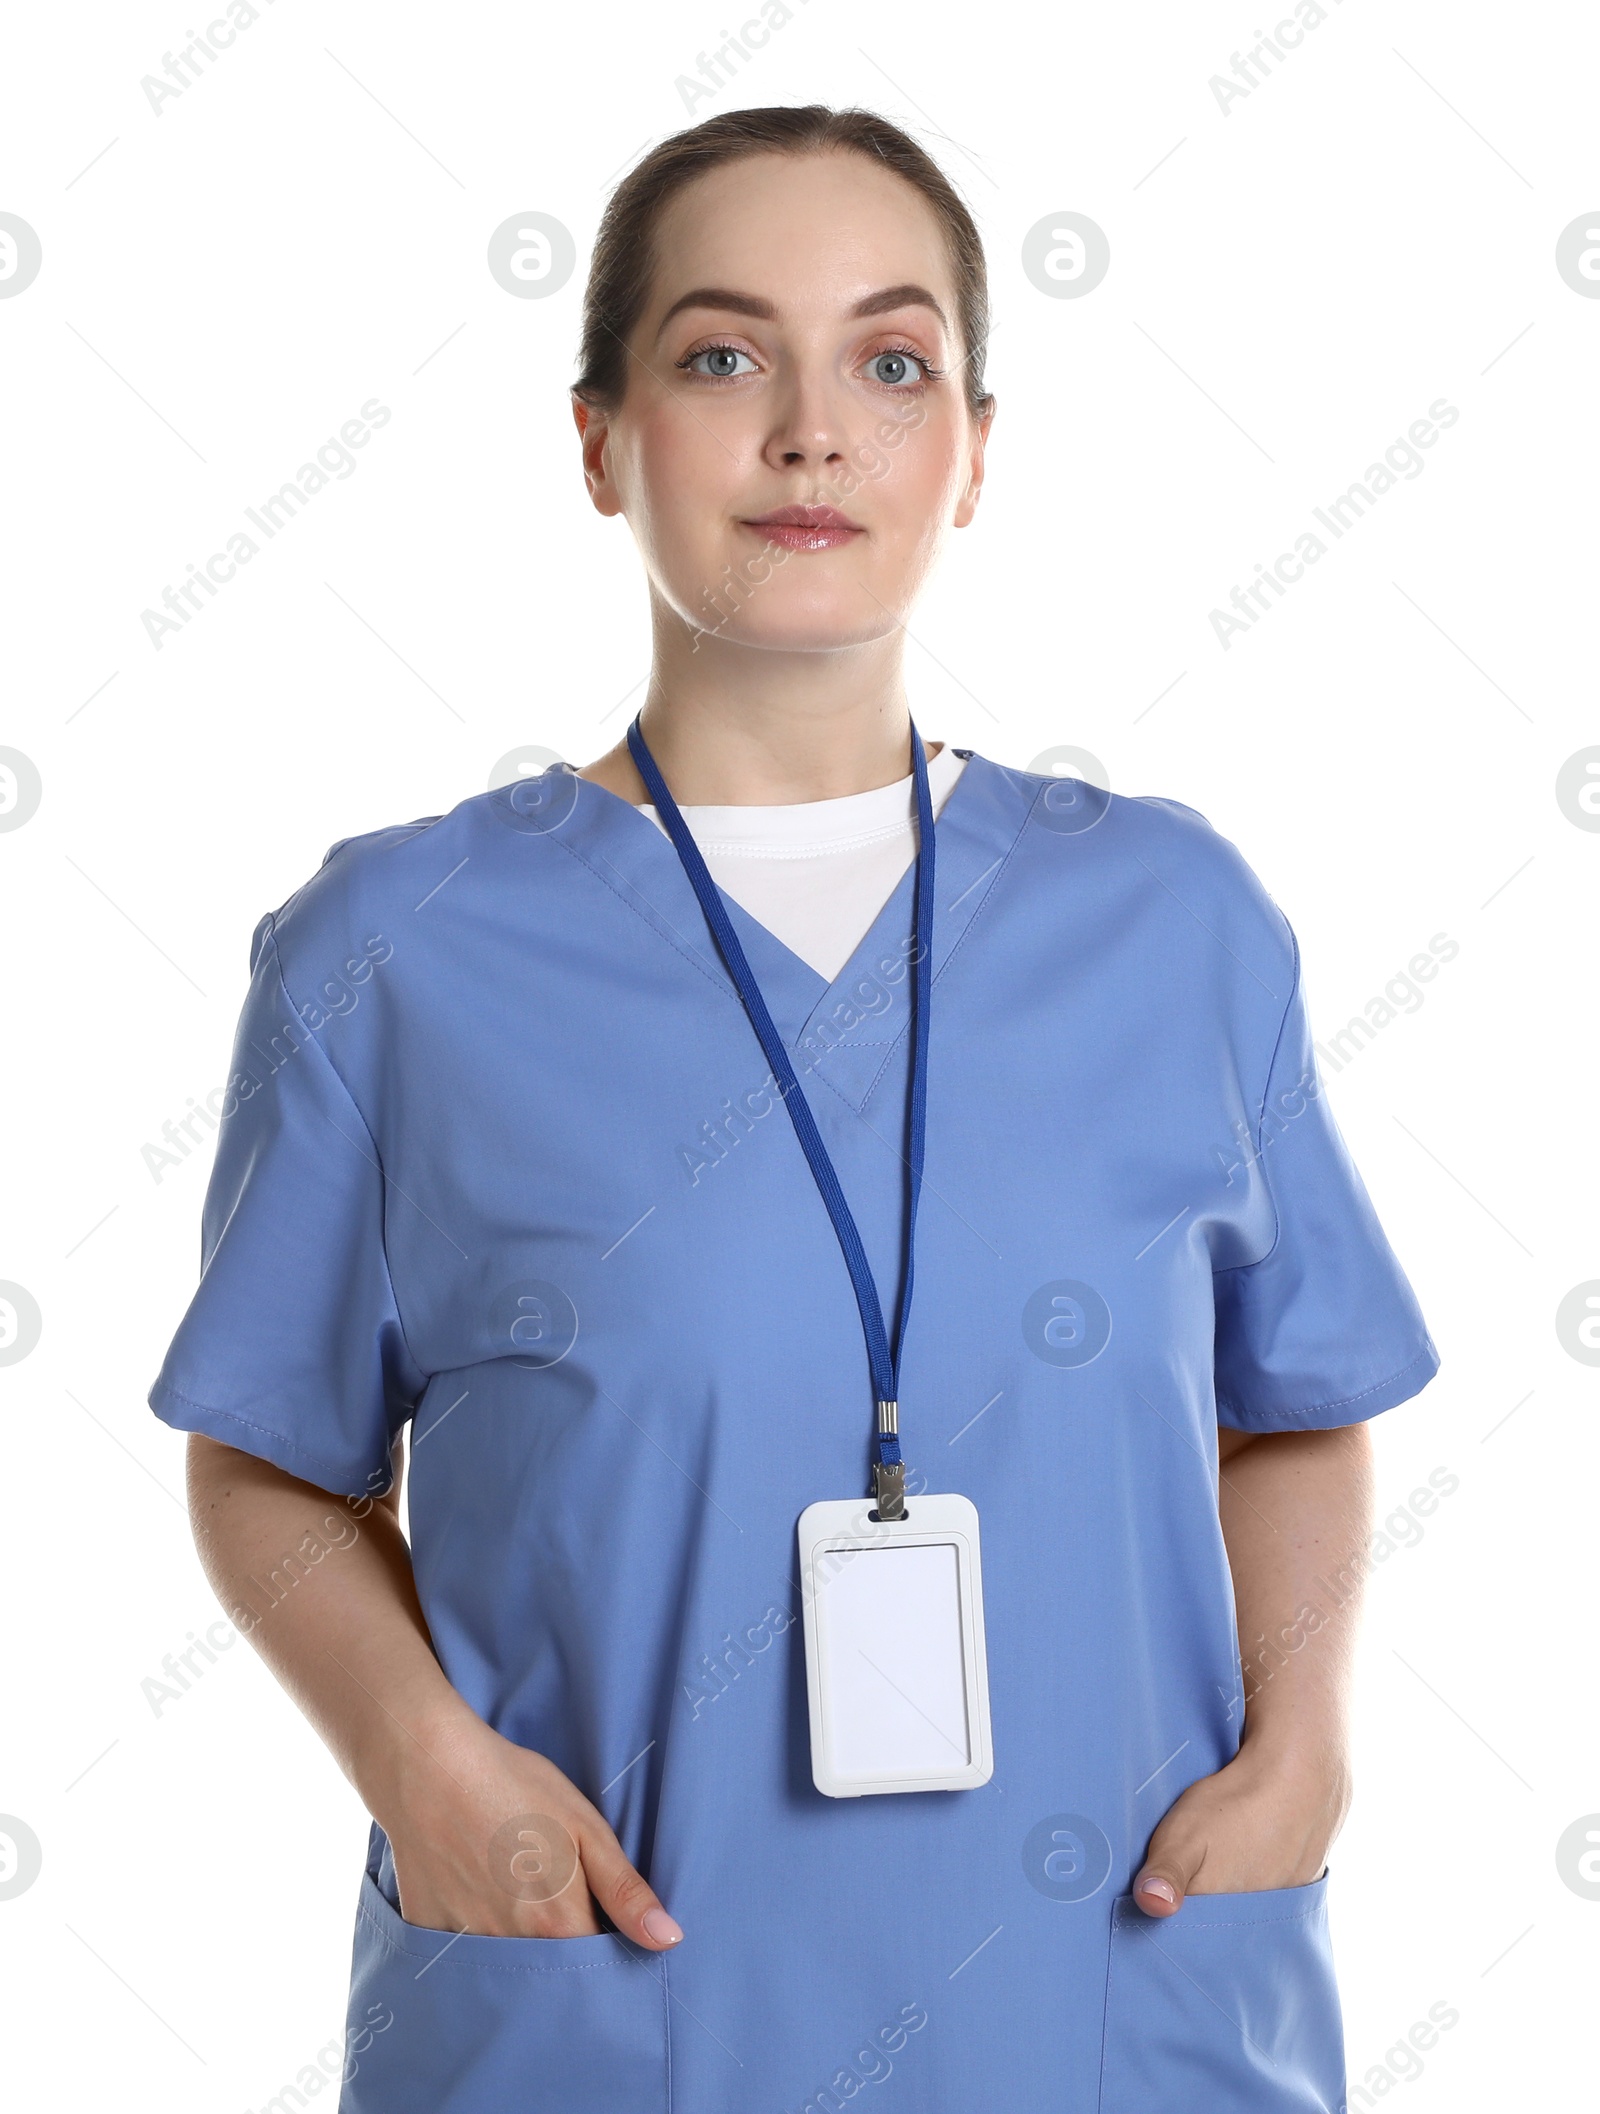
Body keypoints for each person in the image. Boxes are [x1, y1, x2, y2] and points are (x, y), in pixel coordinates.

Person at [149, 104, 1440, 2113]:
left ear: (976, 454)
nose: (812, 431)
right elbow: (270, 1460)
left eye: (892, 361)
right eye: (723, 355)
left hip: (1112, 2010)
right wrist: (422, 1761)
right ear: (596, 437)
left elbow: (1293, 1400)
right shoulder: (397, 948)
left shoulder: (1171, 919)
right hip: (615, 2011)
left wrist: (1304, 1751)